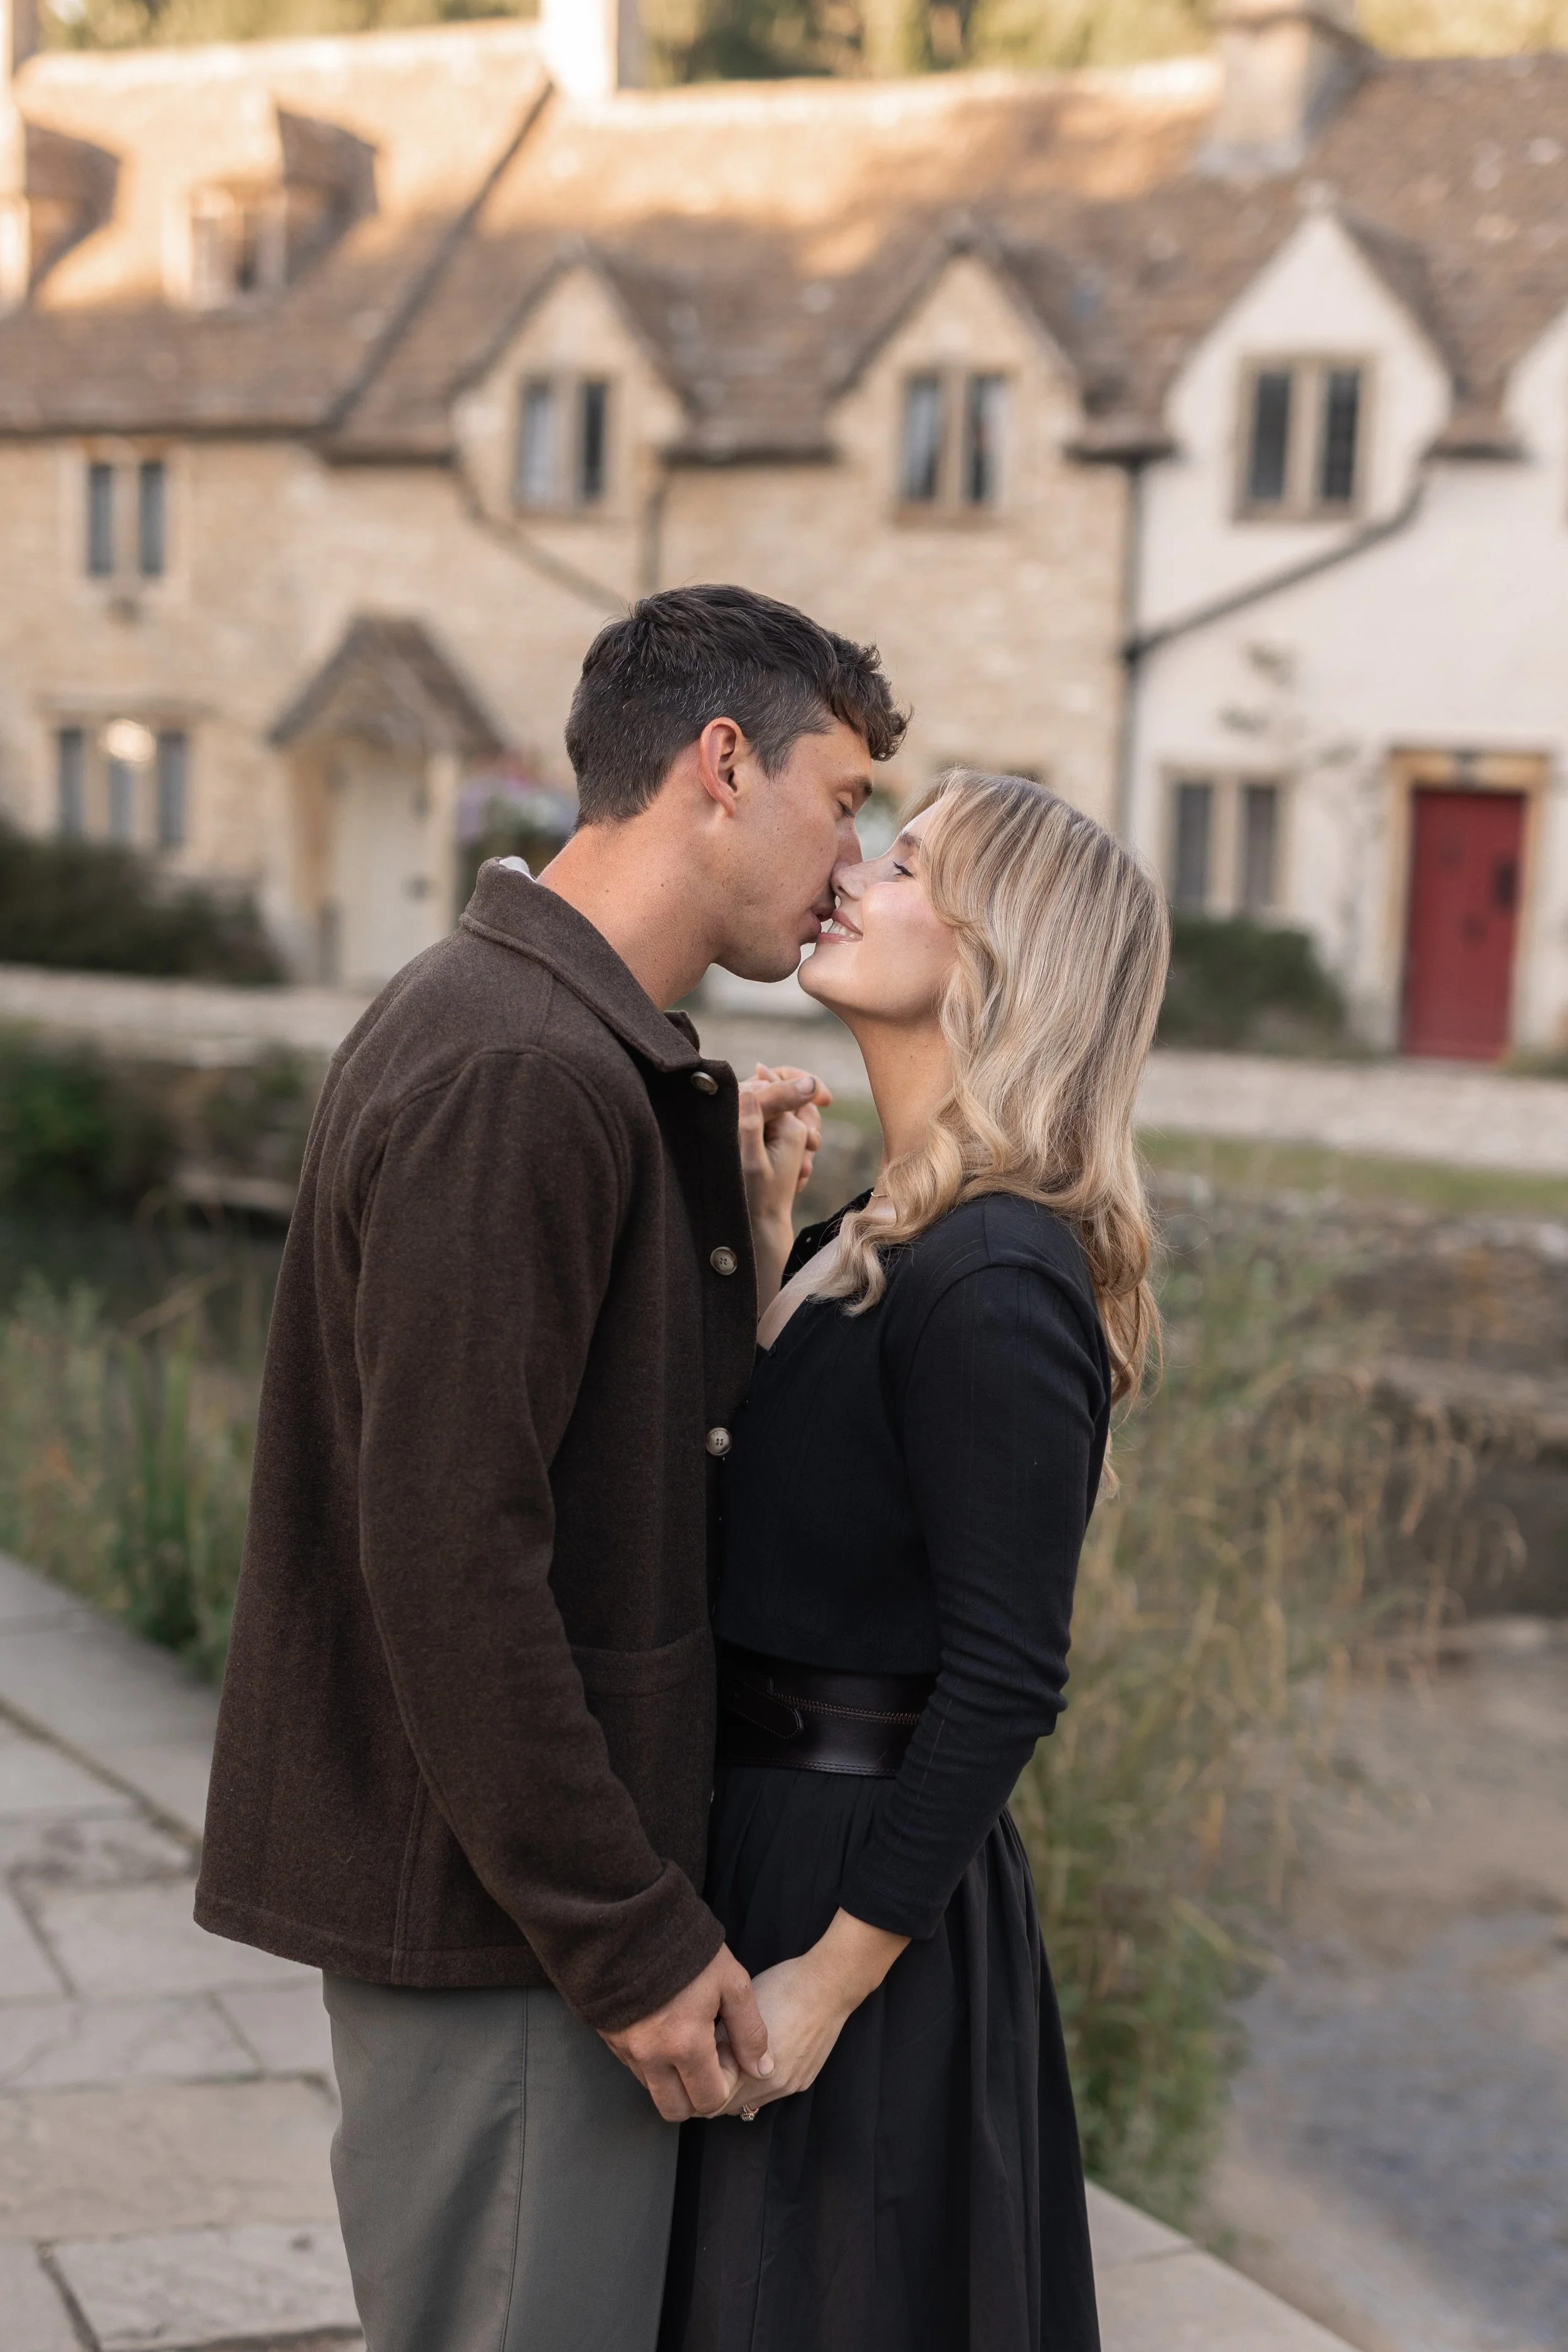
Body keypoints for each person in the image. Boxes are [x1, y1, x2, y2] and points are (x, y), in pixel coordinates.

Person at [193, 584, 907, 2352]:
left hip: (518, 1908)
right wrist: (629, 1935)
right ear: (720, 766)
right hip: (507, 1926)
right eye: (844, 796)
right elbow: (448, 1551)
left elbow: (607, 1478)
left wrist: (738, 1243)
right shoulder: (517, 1064)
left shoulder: (552, 1038)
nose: (851, 856)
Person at [660, 768, 1170, 2352]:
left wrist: (828, 1979)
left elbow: (1006, 1673)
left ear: (990, 951)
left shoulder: (999, 1269)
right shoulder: (877, 1232)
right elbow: (787, 1528)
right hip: (767, 1843)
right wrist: (761, 1243)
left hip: (854, 1898)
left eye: (902, 865)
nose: (849, 880)